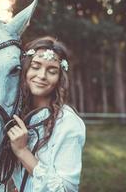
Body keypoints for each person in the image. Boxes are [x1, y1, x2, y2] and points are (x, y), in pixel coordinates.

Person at [8, 36, 86, 192]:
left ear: (59, 78)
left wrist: (23, 152)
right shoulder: (18, 115)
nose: (42, 75)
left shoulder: (67, 123)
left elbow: (66, 190)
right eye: (36, 66)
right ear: (25, 68)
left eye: (52, 71)